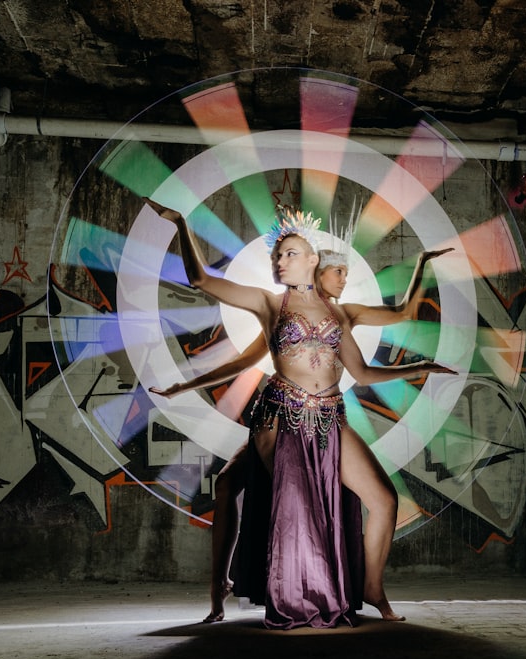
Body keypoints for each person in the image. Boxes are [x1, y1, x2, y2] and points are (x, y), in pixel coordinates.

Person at [145, 197, 455, 629]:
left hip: (330, 415)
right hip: (281, 414)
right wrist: (180, 223)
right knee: (290, 505)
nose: (279, 261)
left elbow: (362, 371)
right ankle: (262, 593)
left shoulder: (338, 313)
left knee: (383, 500)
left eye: (289, 253)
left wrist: (419, 364)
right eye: (276, 255)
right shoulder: (269, 305)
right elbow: (200, 278)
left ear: (313, 259)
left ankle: (371, 588)